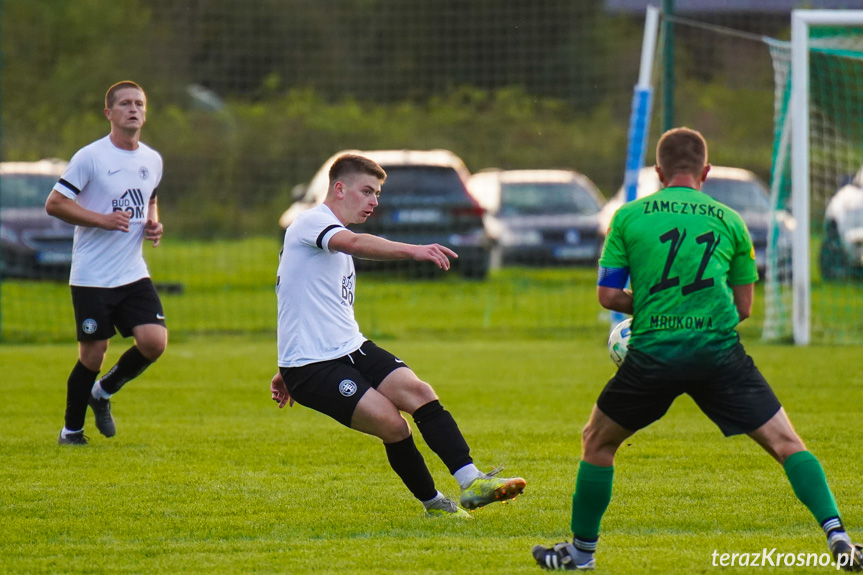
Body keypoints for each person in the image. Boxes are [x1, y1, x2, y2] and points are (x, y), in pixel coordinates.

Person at [531, 127, 862, 571]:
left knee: (597, 442)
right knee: (787, 443)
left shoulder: (628, 217)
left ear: (658, 172)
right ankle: (838, 536)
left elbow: (608, 297)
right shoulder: (729, 219)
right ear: (705, 171)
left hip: (652, 355)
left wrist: (650, 308)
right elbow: (743, 308)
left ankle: (580, 554)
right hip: (718, 354)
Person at [270, 153, 526, 517]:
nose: (374, 201)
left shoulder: (325, 237)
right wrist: (414, 249)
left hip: (350, 348)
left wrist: (283, 364)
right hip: (313, 366)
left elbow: (298, 297)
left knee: (420, 393)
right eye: (367, 191)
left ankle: (473, 482)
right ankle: (435, 505)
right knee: (393, 424)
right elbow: (357, 246)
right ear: (339, 189)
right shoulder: (311, 222)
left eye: (377, 193)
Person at [46, 81, 167, 446]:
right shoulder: (91, 157)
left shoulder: (152, 159)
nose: (133, 109)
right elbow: (54, 203)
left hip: (132, 273)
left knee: (154, 342)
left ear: (145, 112)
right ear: (109, 113)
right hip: (92, 276)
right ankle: (71, 431)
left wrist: (154, 223)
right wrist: (102, 219)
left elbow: (150, 198)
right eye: (125, 104)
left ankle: (103, 393)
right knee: (93, 353)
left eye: (139, 104)